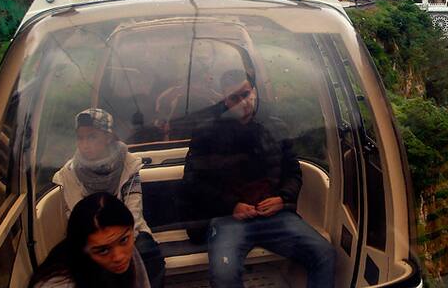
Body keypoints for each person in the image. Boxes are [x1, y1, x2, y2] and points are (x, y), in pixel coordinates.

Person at [183, 69, 335, 288]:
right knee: (224, 275)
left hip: (272, 214)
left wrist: (282, 199)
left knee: (324, 253)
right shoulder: (207, 133)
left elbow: (293, 171)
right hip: (229, 219)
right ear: (224, 100)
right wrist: (231, 205)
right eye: (234, 98)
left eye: (245, 94)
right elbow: (193, 181)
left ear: (254, 91)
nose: (242, 102)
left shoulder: (274, 127)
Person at [53, 108, 165, 288]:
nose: (85, 144)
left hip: (129, 230)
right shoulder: (69, 172)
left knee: (148, 253)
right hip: (92, 236)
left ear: (108, 137)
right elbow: (77, 217)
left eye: (92, 137)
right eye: (80, 138)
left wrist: (122, 242)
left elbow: (133, 212)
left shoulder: (128, 164)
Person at [29, 192, 150, 288]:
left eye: (124, 240)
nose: (118, 257)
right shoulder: (59, 284)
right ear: (82, 250)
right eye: (102, 250)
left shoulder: (121, 245)